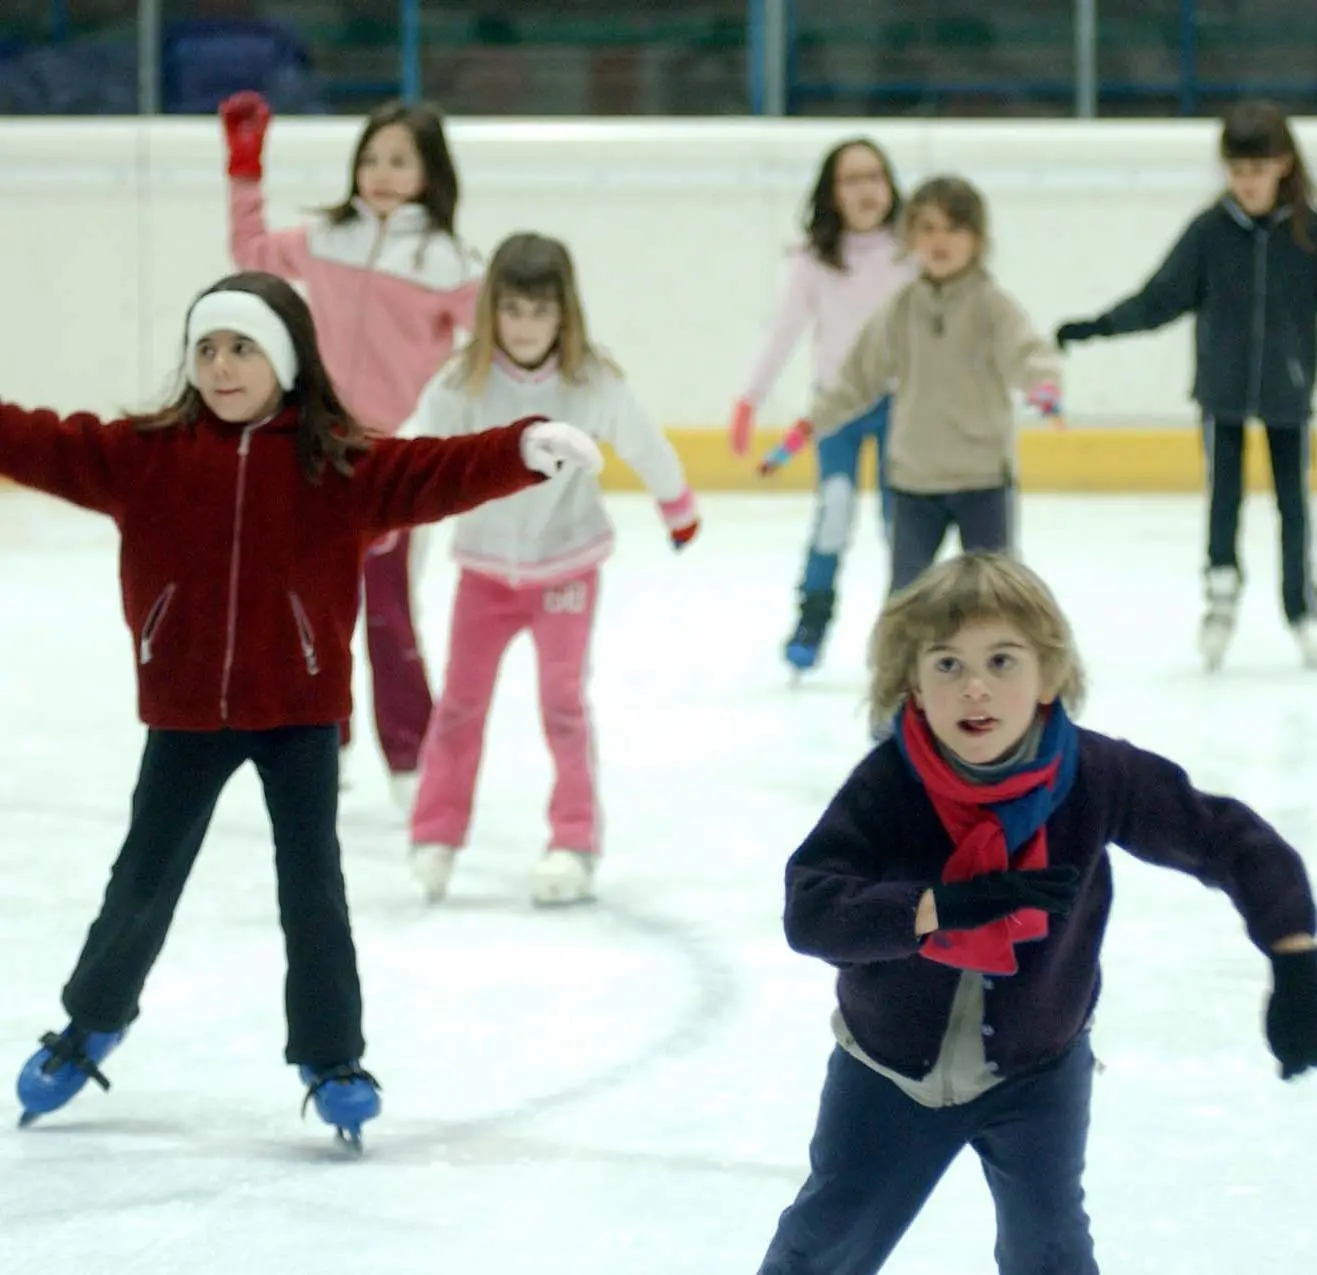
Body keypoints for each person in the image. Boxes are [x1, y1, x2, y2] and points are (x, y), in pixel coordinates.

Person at [1, 271, 601, 1145]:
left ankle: (330, 1055)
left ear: (284, 360)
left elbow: (436, 467)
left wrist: (520, 446)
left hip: (298, 710)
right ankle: (92, 1022)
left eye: (242, 346)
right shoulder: (147, 454)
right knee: (142, 879)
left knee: (312, 887)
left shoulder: (338, 462)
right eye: (205, 347)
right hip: (184, 712)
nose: (221, 364)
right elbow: (38, 440)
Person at [756, 551, 1317, 1275]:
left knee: (1049, 1254)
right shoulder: (890, 785)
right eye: (947, 664)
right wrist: (935, 908)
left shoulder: (1094, 774)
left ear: (1048, 673)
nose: (975, 688)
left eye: (1001, 659)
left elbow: (1225, 837)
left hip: (1037, 1071)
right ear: (913, 686)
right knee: (819, 1247)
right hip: (887, 1072)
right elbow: (811, 908)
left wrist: (1294, 949)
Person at [403, 233, 699, 906]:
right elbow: (413, 449)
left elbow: (643, 440)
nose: (526, 326)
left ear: (564, 312)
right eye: (512, 310)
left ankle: (573, 839)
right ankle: (436, 832)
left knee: (562, 704)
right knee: (459, 704)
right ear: (490, 313)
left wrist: (676, 504)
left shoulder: (592, 380)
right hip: (483, 572)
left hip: (566, 567)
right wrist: (378, 509)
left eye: (540, 311)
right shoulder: (460, 382)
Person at [221, 90, 483, 806]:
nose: (383, 172)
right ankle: (321, 743)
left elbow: (495, 343)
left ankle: (411, 759)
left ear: (430, 172)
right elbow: (250, 253)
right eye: (371, 157)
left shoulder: (449, 261)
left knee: (388, 610)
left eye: (400, 160)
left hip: (400, 464)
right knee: (311, 608)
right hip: (321, 451)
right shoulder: (328, 238)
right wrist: (245, 170)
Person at [1055, 99, 1317, 672]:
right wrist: (1098, 327)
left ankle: (1302, 609)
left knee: (1294, 505)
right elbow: (1161, 298)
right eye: (1237, 170)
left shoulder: (1307, 234)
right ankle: (1220, 599)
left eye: (1258, 169)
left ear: (1283, 166)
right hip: (1221, 392)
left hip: (1289, 393)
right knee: (1223, 502)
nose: (1246, 183)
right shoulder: (1210, 233)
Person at [804, 175, 1062, 605]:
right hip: (914, 481)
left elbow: (1028, 353)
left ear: (978, 239)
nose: (939, 240)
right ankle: (899, 672)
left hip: (982, 479)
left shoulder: (991, 306)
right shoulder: (901, 310)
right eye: (927, 228)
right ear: (909, 239)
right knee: (906, 600)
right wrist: (811, 424)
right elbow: (857, 378)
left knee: (998, 598)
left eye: (953, 229)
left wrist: (1044, 386)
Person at [730, 137, 915, 672]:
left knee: (897, 522)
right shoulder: (814, 261)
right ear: (832, 193)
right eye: (852, 179)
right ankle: (813, 617)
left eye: (875, 177)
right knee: (834, 513)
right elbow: (783, 332)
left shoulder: (910, 252)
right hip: (835, 410)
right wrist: (749, 399)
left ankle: (903, 633)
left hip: (903, 408)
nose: (865, 190)